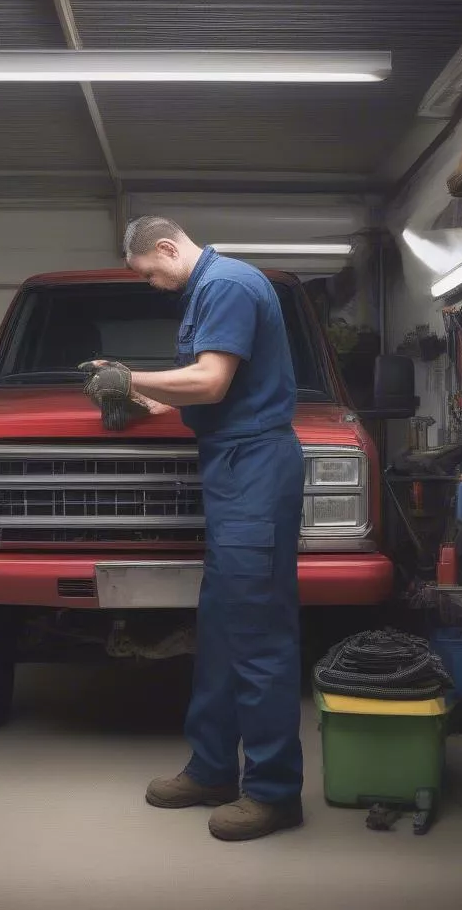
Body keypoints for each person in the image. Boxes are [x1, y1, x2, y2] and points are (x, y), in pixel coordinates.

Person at [82, 215, 305, 842]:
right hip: (232, 466)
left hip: (255, 467)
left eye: (151, 273)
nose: (153, 285)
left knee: (258, 631)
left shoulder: (229, 284)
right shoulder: (206, 290)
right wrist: (143, 399)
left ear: (167, 247)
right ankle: (212, 769)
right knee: (221, 627)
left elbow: (210, 380)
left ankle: (274, 792)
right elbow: (206, 396)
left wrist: (129, 374)